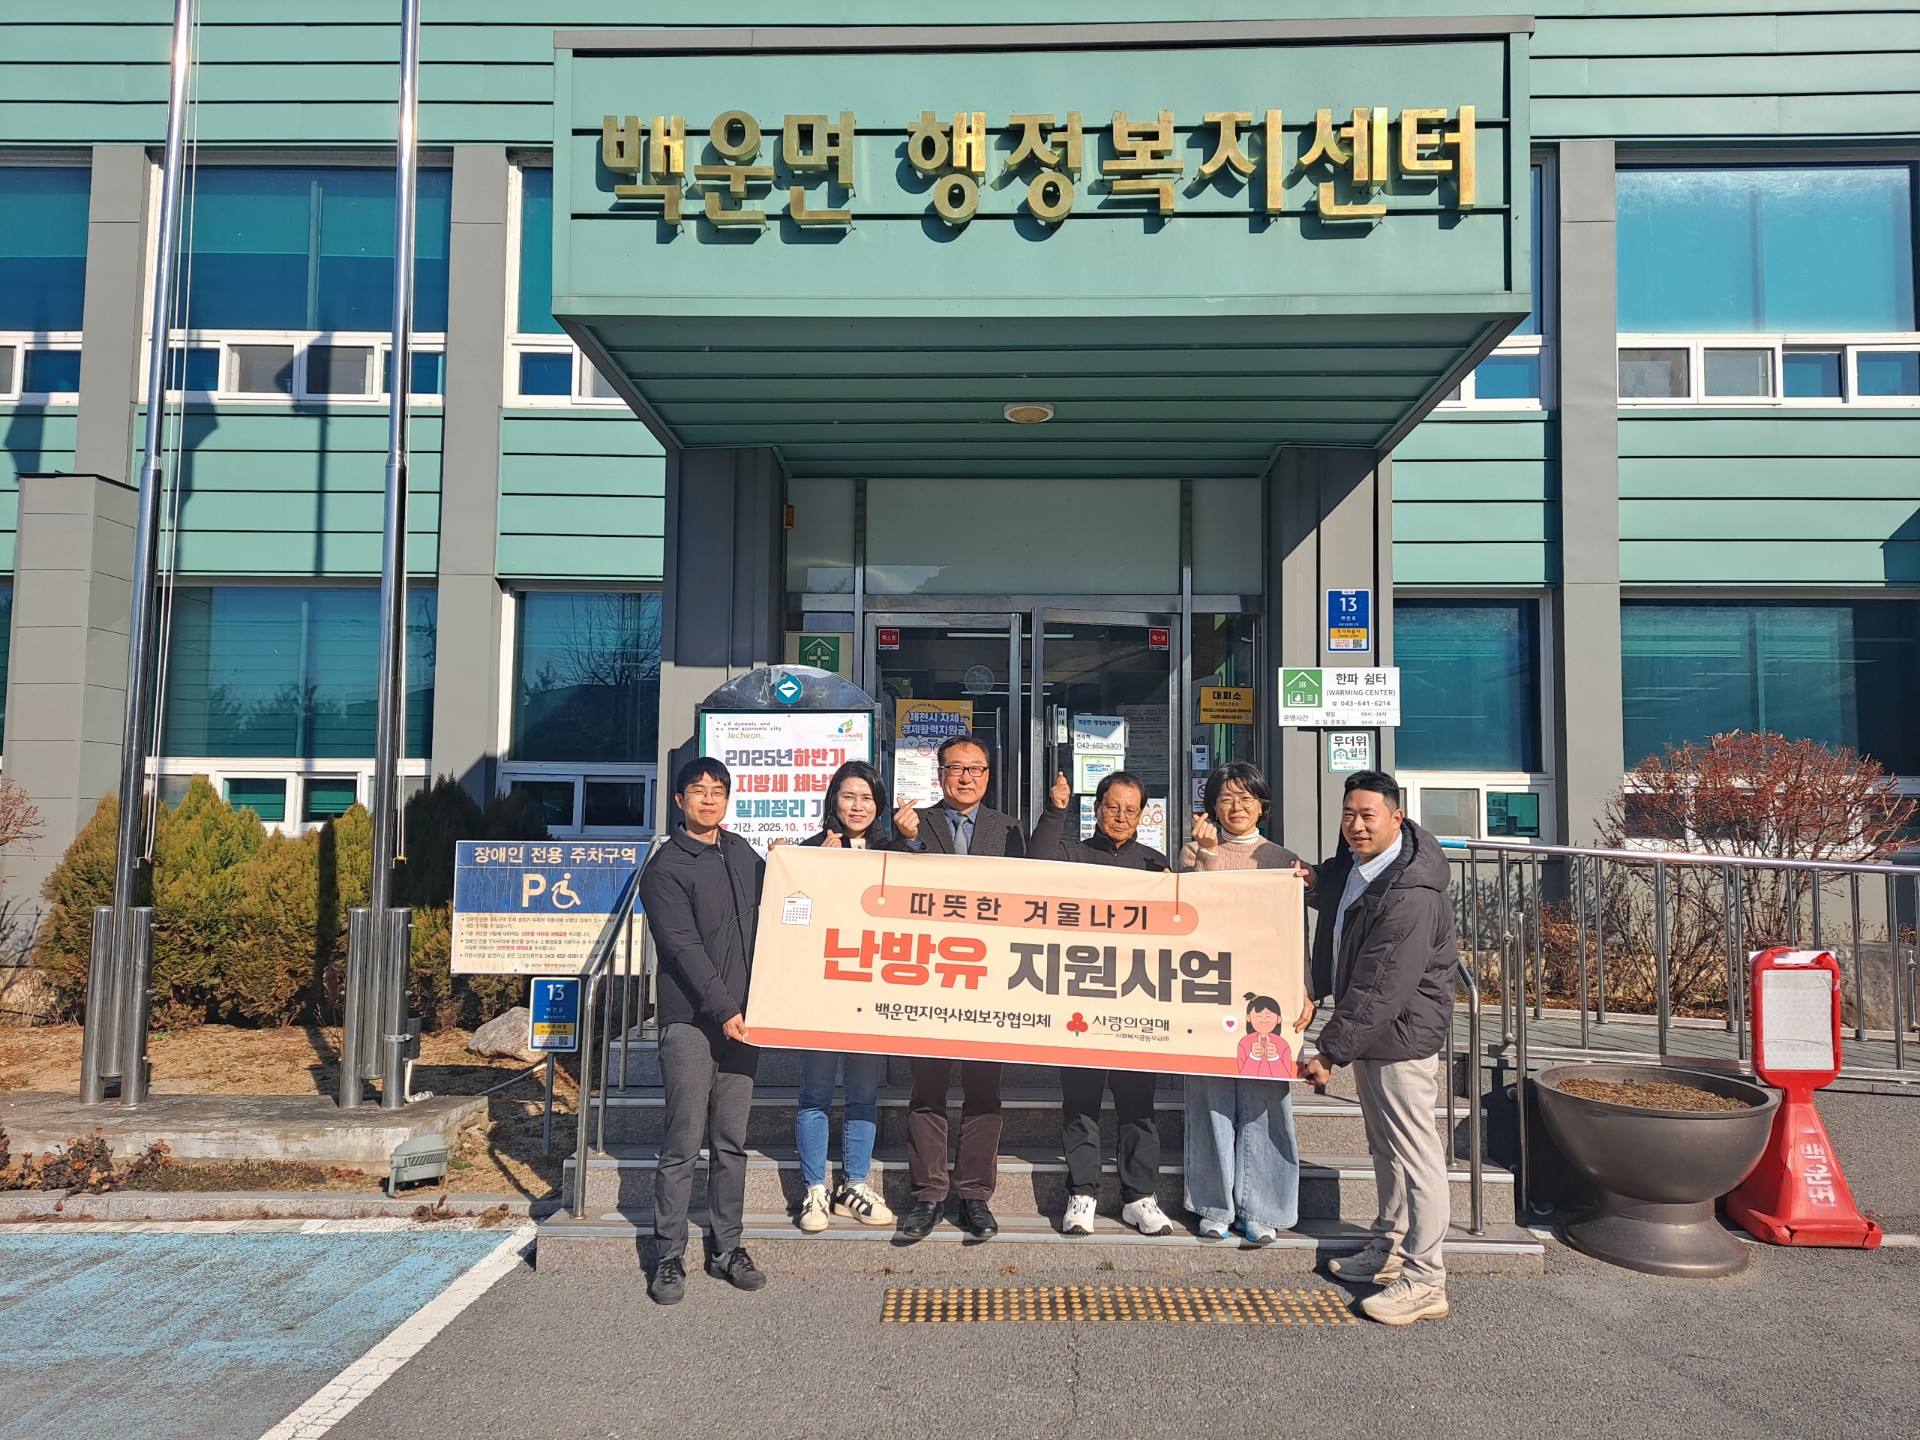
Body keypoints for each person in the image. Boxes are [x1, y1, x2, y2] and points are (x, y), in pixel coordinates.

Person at [1300, 770, 1459, 1326]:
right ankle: (1389, 1245)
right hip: (1375, 1035)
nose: (1357, 825)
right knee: (1386, 1148)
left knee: (1417, 1156)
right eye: (1349, 814)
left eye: (1368, 815)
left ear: (1397, 817)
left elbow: (1380, 983)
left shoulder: (1411, 894)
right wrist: (1306, 879)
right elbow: (1333, 892)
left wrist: (1329, 1050)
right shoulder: (1359, 867)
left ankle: (1426, 1279)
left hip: (1402, 1038)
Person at [636, 757, 766, 1305]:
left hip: (744, 1021)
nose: (709, 799)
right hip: (692, 1021)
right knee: (683, 1141)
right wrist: (724, 1008)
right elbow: (683, 949)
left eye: (718, 791)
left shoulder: (742, 852)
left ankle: (726, 1248)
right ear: (679, 800)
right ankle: (669, 1256)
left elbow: (783, 904)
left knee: (731, 1141)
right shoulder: (664, 868)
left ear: (728, 800)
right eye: (698, 791)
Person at [890, 732, 1026, 1240]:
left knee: (984, 1091)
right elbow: (891, 889)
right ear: (940, 774)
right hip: (929, 978)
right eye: (956, 768)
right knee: (927, 1090)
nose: (966, 777)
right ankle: (928, 1194)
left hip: (988, 979)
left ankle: (974, 1195)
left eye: (976, 768)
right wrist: (905, 843)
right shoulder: (913, 823)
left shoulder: (1008, 829)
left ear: (988, 776)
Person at [1029, 768, 1176, 1238]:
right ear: (1095, 809)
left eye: (1131, 810)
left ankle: (1140, 1197)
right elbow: (1035, 865)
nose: (1120, 816)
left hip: (1136, 1002)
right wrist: (1055, 811)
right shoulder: (1071, 854)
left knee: (1139, 1105)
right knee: (1081, 1102)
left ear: (1143, 815)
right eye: (1112, 806)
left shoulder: (1155, 865)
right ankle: (1083, 1193)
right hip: (1081, 1001)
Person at [1177, 762, 1314, 1244]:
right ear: (1211, 806)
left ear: (1262, 804)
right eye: (1226, 798)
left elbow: (1295, 933)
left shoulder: (1282, 859)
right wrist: (1208, 856)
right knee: (1208, 1099)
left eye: (1246, 797)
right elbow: (1194, 912)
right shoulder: (1192, 852)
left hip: (1268, 1000)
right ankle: (1213, 1204)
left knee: (1266, 1102)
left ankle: (1263, 1208)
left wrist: (1305, 991)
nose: (1236, 807)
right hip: (1208, 992)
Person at [790, 760, 895, 1233]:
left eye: (867, 798)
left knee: (863, 1094)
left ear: (879, 805)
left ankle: (854, 1185)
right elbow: (792, 916)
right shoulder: (810, 851)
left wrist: (912, 842)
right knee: (815, 1093)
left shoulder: (892, 852)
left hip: (872, 990)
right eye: (849, 796)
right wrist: (813, 868)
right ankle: (814, 1189)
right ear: (834, 799)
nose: (857, 806)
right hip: (821, 989)